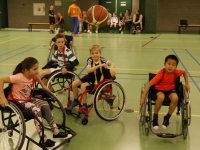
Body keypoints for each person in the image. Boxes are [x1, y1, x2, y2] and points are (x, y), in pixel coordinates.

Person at [0, 57, 72, 148]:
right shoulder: (19, 77)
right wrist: (3, 98)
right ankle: (43, 139)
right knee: (36, 109)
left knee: (45, 104)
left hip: (27, 99)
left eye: (37, 68)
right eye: (34, 69)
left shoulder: (32, 75)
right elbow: (1, 80)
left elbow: (36, 76)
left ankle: (56, 132)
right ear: (26, 71)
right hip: (16, 101)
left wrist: (43, 85)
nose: (37, 71)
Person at [140, 54, 190, 130]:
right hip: (159, 89)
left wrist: (186, 83)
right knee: (161, 97)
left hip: (170, 89)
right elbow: (149, 84)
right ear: (164, 64)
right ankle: (155, 117)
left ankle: (167, 118)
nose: (170, 66)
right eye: (169, 64)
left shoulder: (176, 72)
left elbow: (184, 72)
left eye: (173, 65)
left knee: (175, 98)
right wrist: (143, 98)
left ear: (176, 66)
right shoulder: (161, 73)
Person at [66, 45, 115, 114]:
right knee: (74, 83)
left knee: (83, 86)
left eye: (96, 53)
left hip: (97, 81)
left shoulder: (103, 60)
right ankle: (76, 100)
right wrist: (99, 65)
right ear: (90, 54)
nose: (95, 55)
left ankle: (85, 106)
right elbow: (88, 70)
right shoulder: (90, 60)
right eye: (93, 53)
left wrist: (112, 68)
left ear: (100, 53)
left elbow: (112, 63)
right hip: (90, 77)